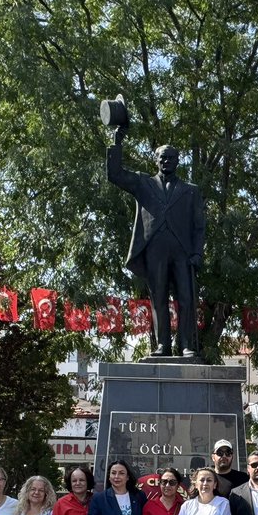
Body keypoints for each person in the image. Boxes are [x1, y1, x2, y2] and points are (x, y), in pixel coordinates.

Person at [106, 131, 205, 358]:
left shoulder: (191, 190)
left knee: (186, 299)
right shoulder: (144, 184)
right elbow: (115, 174)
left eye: (170, 157)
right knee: (158, 298)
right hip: (155, 251)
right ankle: (163, 345)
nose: (166, 161)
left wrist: (198, 253)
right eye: (162, 157)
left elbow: (199, 226)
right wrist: (116, 143)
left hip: (183, 252)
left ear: (178, 161)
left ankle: (186, 345)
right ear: (156, 160)